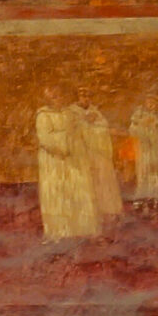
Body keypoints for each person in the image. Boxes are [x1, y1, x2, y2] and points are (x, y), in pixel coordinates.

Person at [35, 93, 102, 240]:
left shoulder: (69, 113)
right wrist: (66, 139)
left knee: (79, 190)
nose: (59, 99)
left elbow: (79, 129)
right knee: (58, 194)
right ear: (48, 100)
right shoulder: (43, 115)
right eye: (55, 97)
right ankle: (59, 231)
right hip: (55, 159)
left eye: (60, 96)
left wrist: (87, 124)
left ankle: (82, 228)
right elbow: (45, 138)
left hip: (74, 157)